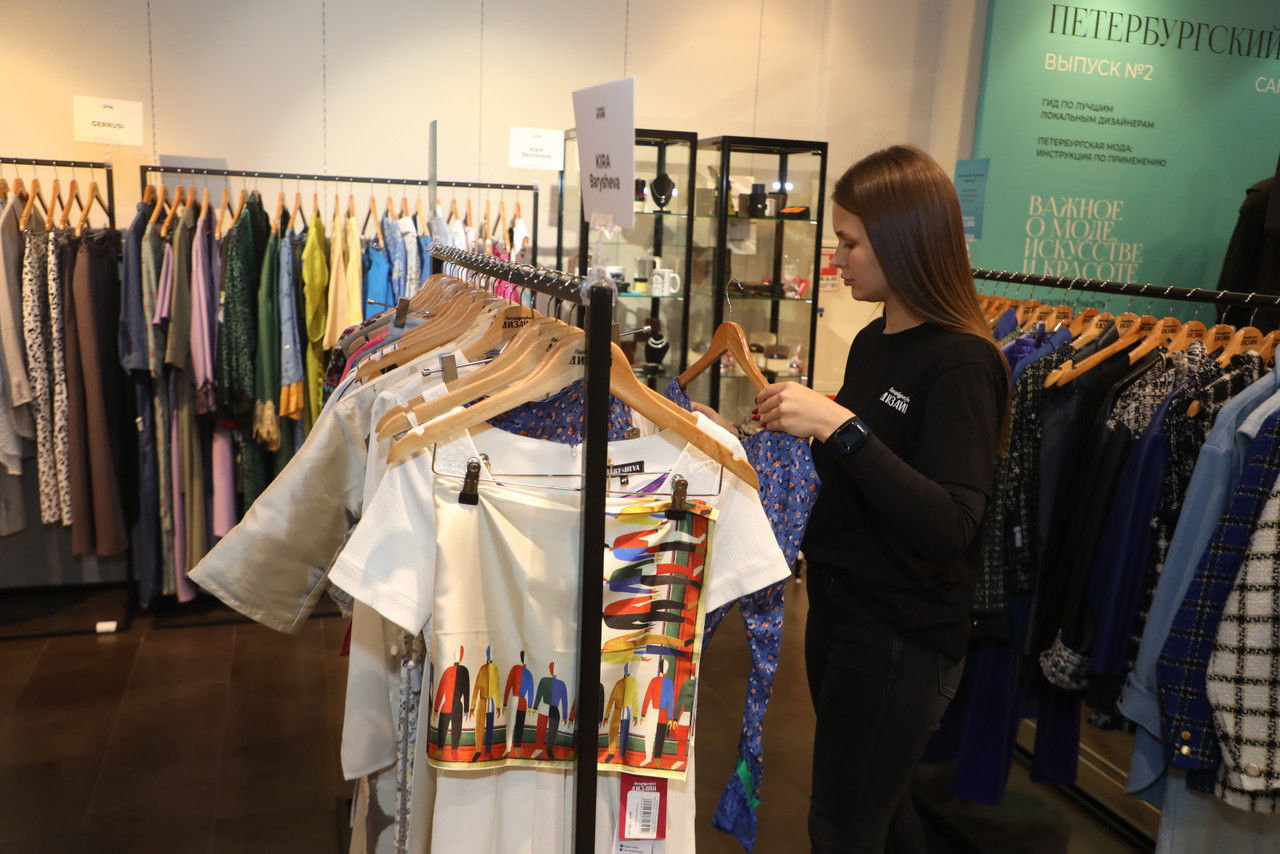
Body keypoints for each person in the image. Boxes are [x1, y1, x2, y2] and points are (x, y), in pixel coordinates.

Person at [694, 144, 1009, 852]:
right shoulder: (874, 341)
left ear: (904, 240)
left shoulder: (962, 361)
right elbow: (845, 476)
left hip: (901, 634)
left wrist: (838, 423)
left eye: (850, 242)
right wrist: (737, 445)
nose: (837, 259)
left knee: (843, 824)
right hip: (842, 612)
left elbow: (952, 523)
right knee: (876, 813)